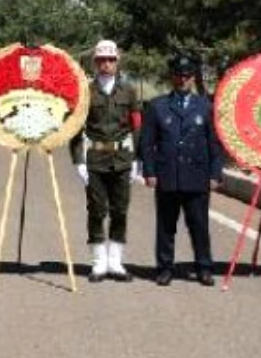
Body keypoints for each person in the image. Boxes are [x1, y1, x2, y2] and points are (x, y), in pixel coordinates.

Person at [140, 54, 224, 287]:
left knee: (199, 225)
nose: (183, 80)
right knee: (166, 226)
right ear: (172, 77)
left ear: (192, 78)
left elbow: (214, 144)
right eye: (179, 75)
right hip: (168, 176)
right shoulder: (158, 106)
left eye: (187, 76)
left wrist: (215, 174)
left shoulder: (205, 106)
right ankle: (165, 268)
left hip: (197, 177)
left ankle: (204, 268)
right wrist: (149, 171)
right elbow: (147, 143)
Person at [70, 40, 140, 283]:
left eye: (110, 60)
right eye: (101, 60)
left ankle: (116, 262)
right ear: (95, 63)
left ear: (117, 62)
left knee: (120, 211)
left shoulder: (129, 91)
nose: (106, 64)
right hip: (95, 160)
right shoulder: (85, 92)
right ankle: (99, 263)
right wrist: (78, 160)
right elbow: (76, 128)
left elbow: (136, 126)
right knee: (97, 211)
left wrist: (137, 159)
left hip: (122, 160)